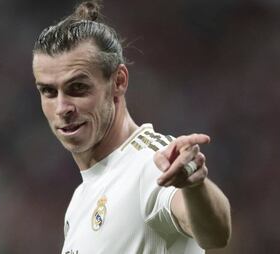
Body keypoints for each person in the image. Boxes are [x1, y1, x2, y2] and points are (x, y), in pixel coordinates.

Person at [32, 1, 231, 253]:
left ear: (118, 81)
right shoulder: (80, 200)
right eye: (48, 92)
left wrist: (194, 187)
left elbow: (216, 234)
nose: (62, 107)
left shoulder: (150, 163)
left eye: (78, 88)